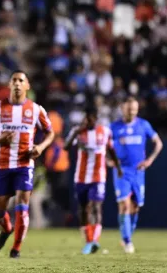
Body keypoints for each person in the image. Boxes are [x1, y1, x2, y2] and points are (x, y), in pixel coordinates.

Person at [0, 70, 55, 258]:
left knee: (23, 205)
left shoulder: (36, 109)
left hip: (25, 164)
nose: (17, 83)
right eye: (13, 80)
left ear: (27, 86)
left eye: (20, 80)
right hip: (3, 165)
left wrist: (40, 147)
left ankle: (16, 248)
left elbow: (50, 133)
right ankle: (6, 229)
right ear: (9, 85)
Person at [64, 107, 122, 255]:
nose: (88, 121)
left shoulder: (105, 131)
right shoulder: (78, 131)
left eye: (91, 118)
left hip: (98, 177)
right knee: (83, 209)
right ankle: (89, 241)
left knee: (96, 207)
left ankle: (94, 240)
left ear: (96, 119)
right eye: (86, 118)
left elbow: (111, 150)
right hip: (81, 177)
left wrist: (118, 167)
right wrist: (76, 133)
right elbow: (66, 147)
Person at [110, 97, 163, 253]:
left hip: (138, 172)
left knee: (135, 207)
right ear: (122, 108)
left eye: (134, 109)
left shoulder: (143, 125)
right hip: (121, 171)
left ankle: (128, 235)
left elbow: (158, 143)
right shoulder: (114, 127)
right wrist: (108, 160)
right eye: (129, 109)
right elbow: (103, 146)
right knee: (124, 205)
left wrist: (150, 160)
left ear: (137, 109)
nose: (131, 111)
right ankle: (127, 241)